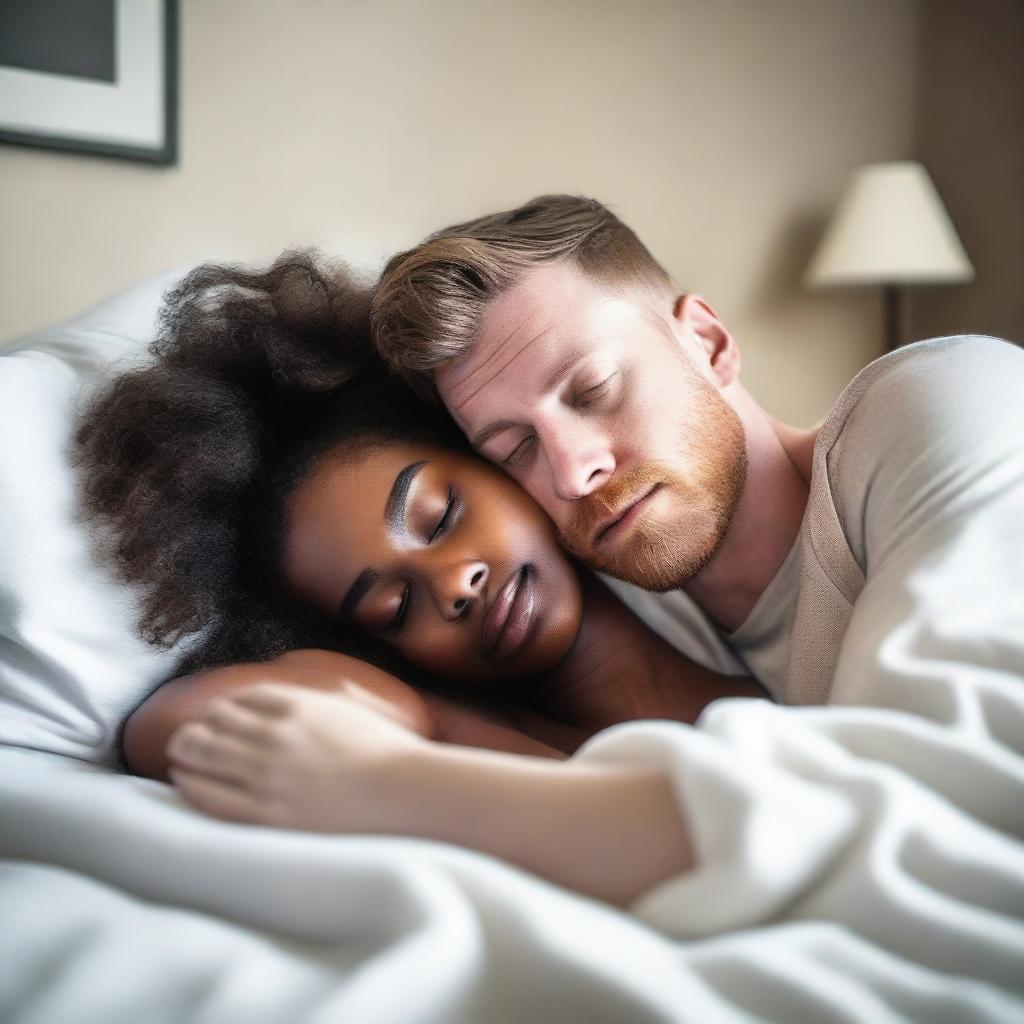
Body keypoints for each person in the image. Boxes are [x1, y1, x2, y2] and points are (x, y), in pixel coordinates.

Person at [149, 200, 1024, 1012]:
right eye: (516, 447)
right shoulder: (619, 588)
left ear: (710, 342)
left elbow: (956, 825)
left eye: (594, 390)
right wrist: (428, 725)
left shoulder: (948, 403)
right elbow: (192, 718)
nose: (573, 473)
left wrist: (390, 786)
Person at [75, 251, 765, 908]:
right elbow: (178, 722)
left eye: (440, 518)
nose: (453, 586)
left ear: (499, 458)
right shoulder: (446, 727)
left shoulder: (778, 628)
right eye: (395, 605)